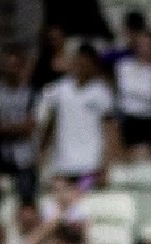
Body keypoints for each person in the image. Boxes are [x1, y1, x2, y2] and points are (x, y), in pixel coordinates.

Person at [36, 43, 118, 186]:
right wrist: (42, 154)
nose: (82, 67)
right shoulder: (58, 90)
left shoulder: (101, 92)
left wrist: (107, 165)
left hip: (90, 167)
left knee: (86, 203)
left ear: (93, 65)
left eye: (87, 63)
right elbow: (49, 125)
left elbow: (110, 131)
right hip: (63, 165)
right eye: (79, 62)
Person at [0, 47, 39, 204]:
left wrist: (1, 127)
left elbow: (28, 128)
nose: (11, 69)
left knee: (26, 201)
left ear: (21, 66)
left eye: (15, 65)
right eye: (8, 65)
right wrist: (15, 128)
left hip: (24, 158)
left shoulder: (30, 93)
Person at [114, 29, 151, 160]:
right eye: (141, 45)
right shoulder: (123, 66)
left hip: (148, 120)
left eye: (148, 45)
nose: (144, 49)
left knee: (143, 156)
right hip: (126, 119)